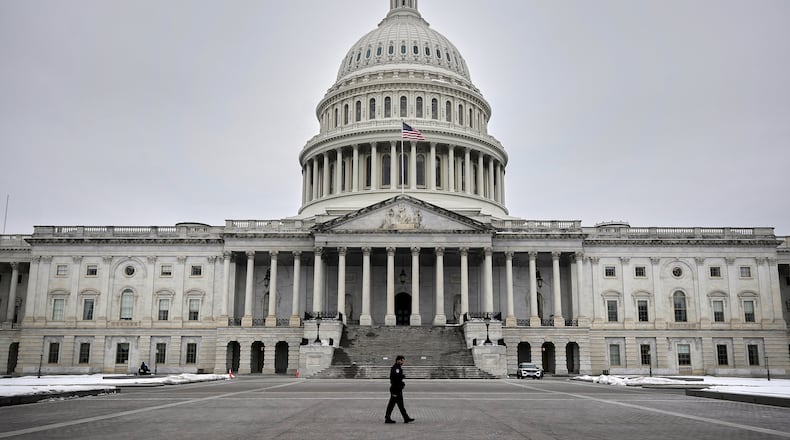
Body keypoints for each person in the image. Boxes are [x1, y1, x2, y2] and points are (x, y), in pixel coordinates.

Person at [384, 355, 414, 424]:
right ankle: (387, 418)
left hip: (397, 389)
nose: (403, 362)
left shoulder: (397, 368)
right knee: (392, 405)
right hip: (395, 389)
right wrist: (402, 381)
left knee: (400, 405)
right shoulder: (396, 368)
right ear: (398, 360)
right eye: (402, 360)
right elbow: (395, 379)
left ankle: (406, 418)